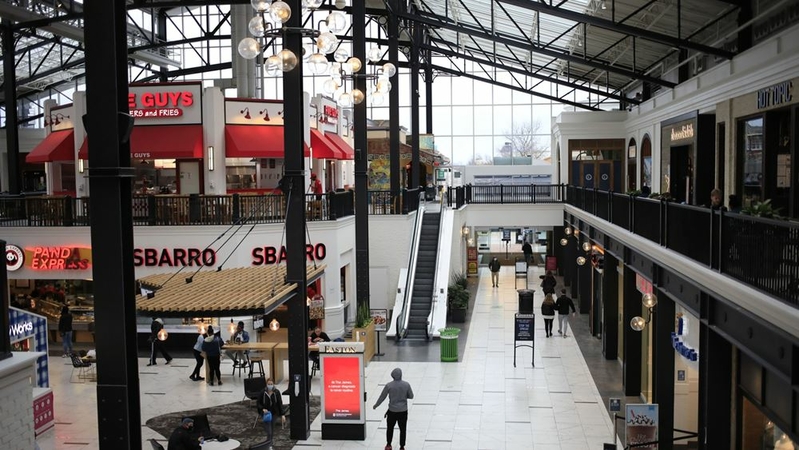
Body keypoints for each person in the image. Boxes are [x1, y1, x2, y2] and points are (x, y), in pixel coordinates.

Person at [373, 368, 414, 450]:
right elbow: (411, 396)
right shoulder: (406, 385)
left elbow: (382, 397)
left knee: (390, 428)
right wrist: (403, 396)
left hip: (392, 411)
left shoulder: (389, 385)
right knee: (403, 429)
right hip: (403, 411)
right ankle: (402, 446)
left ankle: (388, 445)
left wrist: (376, 405)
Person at [257, 377, 286, 448]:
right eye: (268, 384)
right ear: (266, 384)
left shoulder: (276, 392)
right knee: (269, 431)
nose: (270, 385)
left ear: (273, 384)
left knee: (271, 430)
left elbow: (280, 403)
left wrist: (282, 414)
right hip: (266, 413)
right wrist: (262, 409)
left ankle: (269, 444)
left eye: (271, 384)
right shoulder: (262, 392)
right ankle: (269, 444)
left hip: (274, 413)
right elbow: (258, 403)